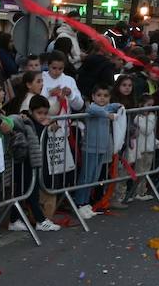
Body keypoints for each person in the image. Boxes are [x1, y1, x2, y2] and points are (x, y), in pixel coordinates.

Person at [73, 82, 124, 219]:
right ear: (93, 96)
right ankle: (79, 203)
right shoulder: (92, 108)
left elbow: (111, 106)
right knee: (86, 176)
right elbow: (95, 111)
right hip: (90, 149)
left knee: (94, 177)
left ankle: (85, 202)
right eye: (99, 95)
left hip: (102, 149)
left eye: (106, 96)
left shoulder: (106, 107)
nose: (102, 98)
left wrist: (119, 106)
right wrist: (109, 115)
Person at [13, 96, 61, 232]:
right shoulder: (26, 121)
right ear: (31, 111)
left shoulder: (35, 121)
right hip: (25, 162)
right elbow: (34, 133)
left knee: (26, 192)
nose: (42, 116)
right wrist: (45, 125)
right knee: (28, 192)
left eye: (45, 113)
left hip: (31, 162)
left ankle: (15, 219)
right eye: (39, 113)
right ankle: (40, 220)